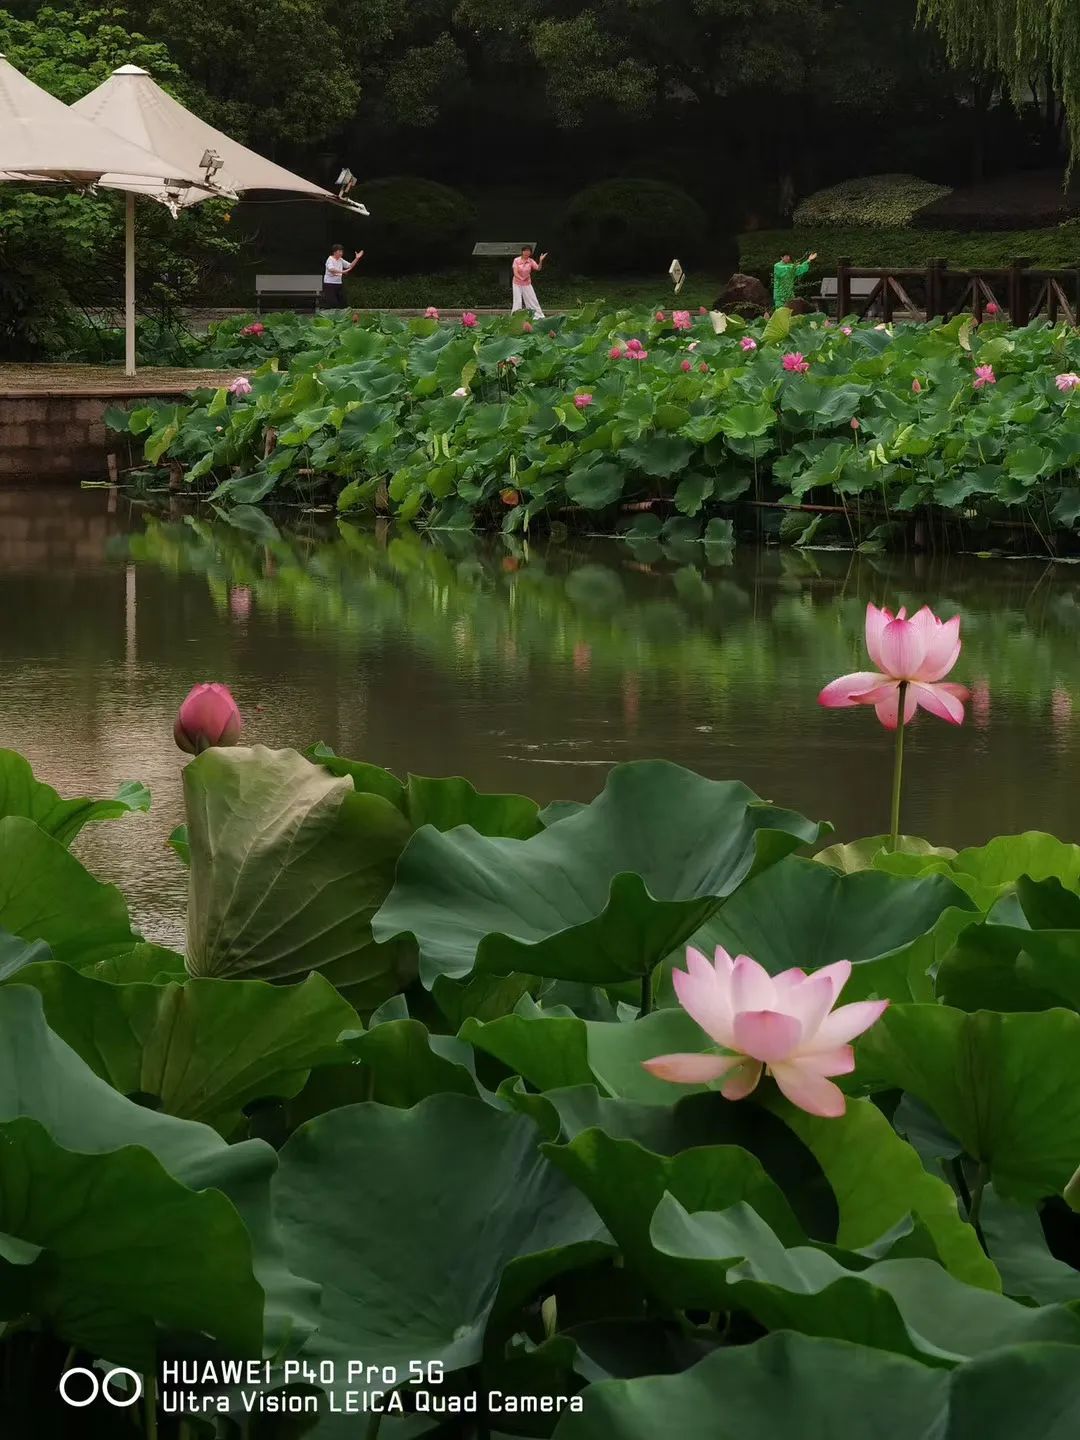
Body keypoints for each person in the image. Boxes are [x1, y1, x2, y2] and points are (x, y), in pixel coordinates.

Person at [323, 243, 363, 309]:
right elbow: (331, 269)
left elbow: (349, 266)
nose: (341, 253)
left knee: (343, 303)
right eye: (339, 251)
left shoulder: (340, 259)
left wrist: (357, 258)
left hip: (338, 284)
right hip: (329, 284)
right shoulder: (330, 259)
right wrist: (343, 272)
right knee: (333, 303)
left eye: (342, 251)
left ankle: (341, 317)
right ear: (334, 252)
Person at [511, 245, 548, 318]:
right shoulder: (516, 260)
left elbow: (538, 268)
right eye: (525, 251)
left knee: (532, 299)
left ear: (530, 253)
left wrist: (540, 261)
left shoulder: (531, 261)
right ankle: (515, 317)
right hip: (517, 283)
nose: (526, 253)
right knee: (517, 301)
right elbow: (515, 273)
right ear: (522, 252)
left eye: (528, 251)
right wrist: (521, 278)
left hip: (527, 284)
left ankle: (537, 316)